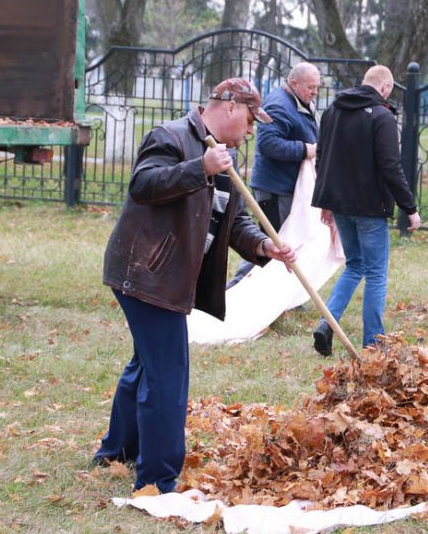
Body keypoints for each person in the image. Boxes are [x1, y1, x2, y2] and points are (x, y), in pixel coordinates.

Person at [95, 77, 297, 494]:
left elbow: (234, 220)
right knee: (168, 374)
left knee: (147, 363)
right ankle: (158, 478)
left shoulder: (225, 158)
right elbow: (143, 184)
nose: (252, 130)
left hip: (169, 277)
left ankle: (116, 451)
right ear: (230, 107)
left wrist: (264, 246)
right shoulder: (170, 137)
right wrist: (199, 168)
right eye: (250, 120)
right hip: (147, 274)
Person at [310, 65, 421, 355]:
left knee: (355, 266)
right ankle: (373, 342)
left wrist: (326, 201)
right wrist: (410, 208)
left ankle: (327, 324)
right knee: (375, 274)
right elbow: (390, 166)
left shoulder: (333, 110)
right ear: (385, 88)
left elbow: (322, 157)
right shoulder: (382, 116)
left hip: (341, 205)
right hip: (370, 207)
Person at [228, 62, 321, 288]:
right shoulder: (279, 105)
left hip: (285, 187)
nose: (315, 92)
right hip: (275, 189)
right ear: (294, 83)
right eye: (311, 87)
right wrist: (306, 149)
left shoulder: (299, 102)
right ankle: (234, 289)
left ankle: (282, 297)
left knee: (280, 244)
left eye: (317, 87)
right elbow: (268, 144)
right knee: (274, 245)